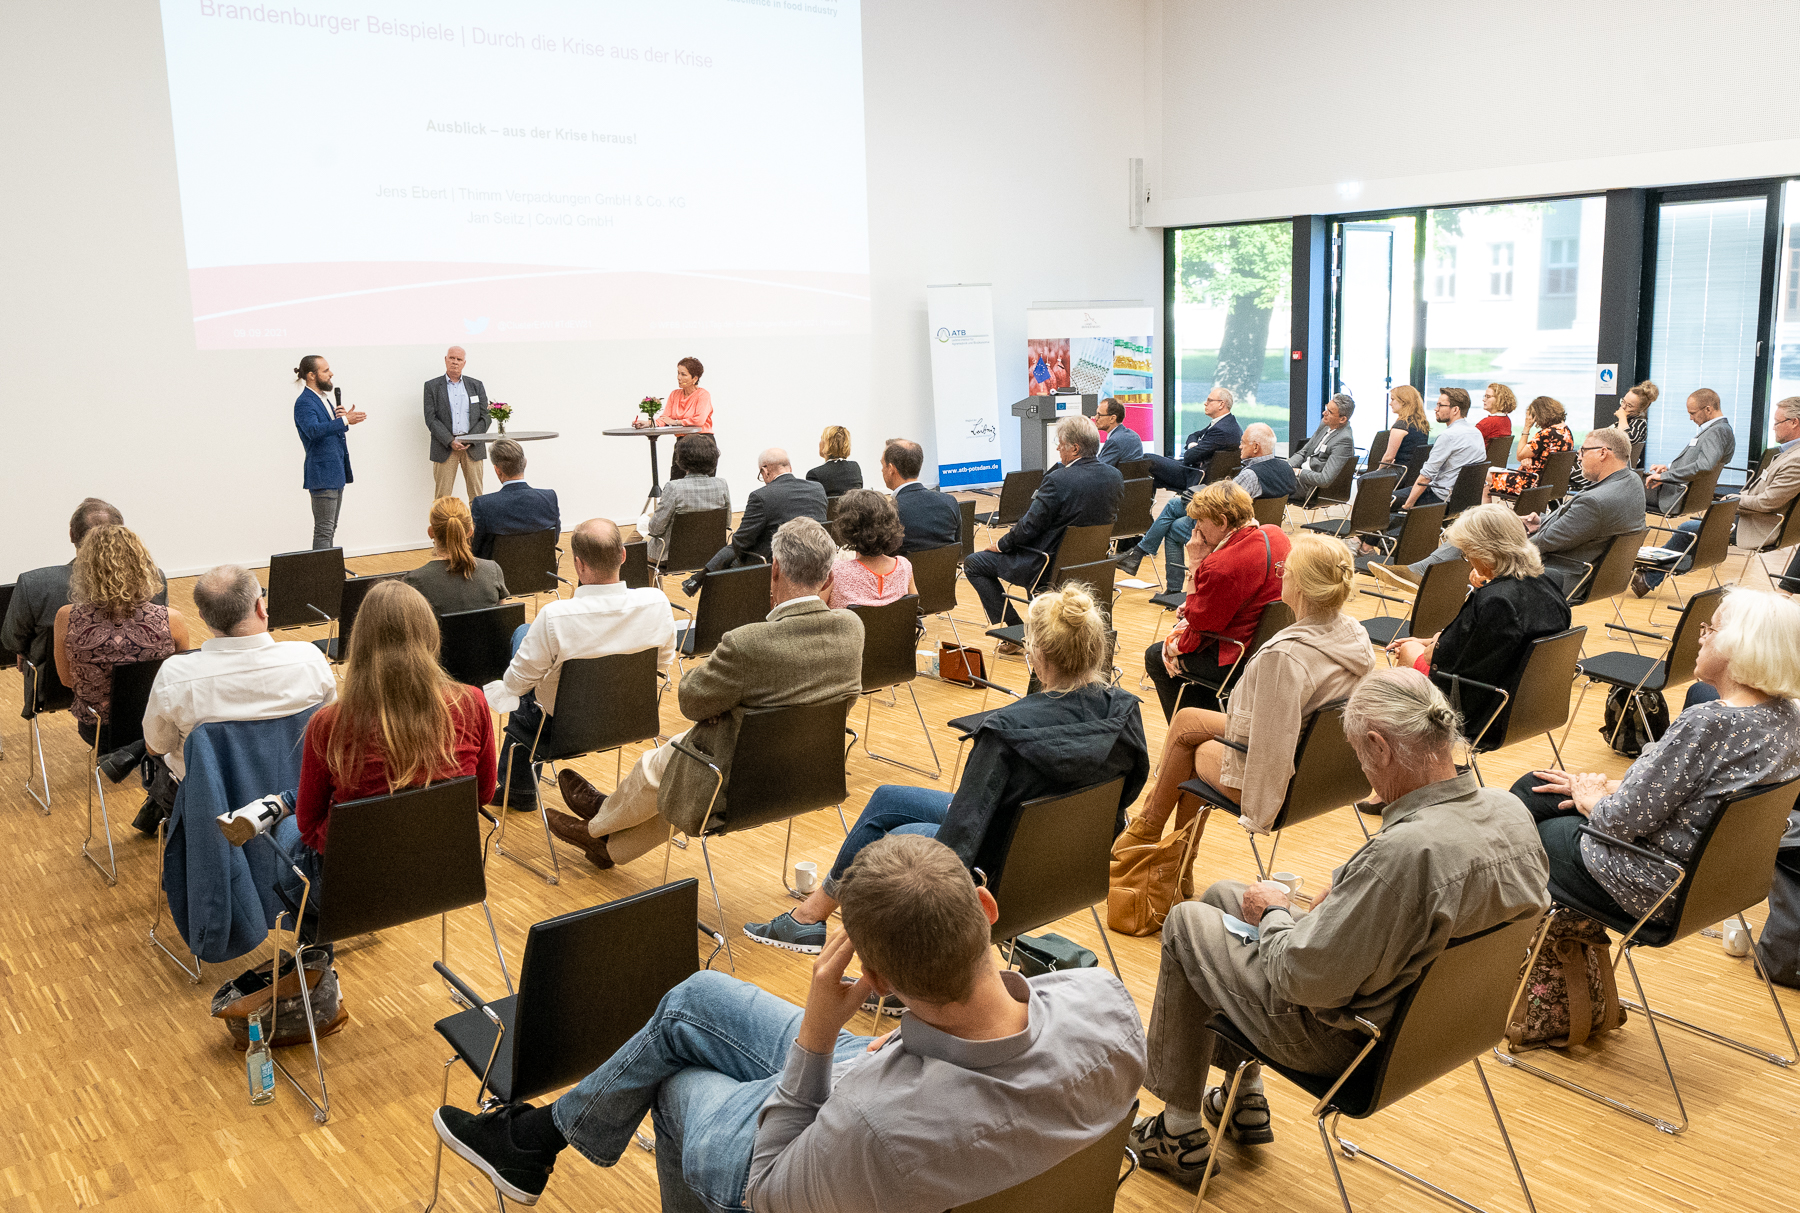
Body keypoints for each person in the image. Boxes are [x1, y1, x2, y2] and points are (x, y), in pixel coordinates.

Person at [432, 833, 1147, 1211]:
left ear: (881, 980)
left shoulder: (874, 1123)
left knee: (676, 1080)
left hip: (839, 1136)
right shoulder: (1107, 1002)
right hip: (904, 1078)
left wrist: (814, 1037)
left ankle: (532, 1136)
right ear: (987, 911)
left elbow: (765, 1187)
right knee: (695, 997)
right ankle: (536, 1136)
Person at [1131, 669, 1548, 1181]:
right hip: (1436, 1030)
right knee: (1223, 898)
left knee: (1187, 920)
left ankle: (1177, 1131)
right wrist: (1341, 896)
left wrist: (1279, 912)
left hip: (1348, 1046)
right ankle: (1242, 1094)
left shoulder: (1403, 856)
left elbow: (1299, 977)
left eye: (1357, 753)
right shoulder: (1510, 812)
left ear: (1378, 746)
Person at [744, 580, 1149, 953]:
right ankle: (809, 917)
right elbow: (1124, 795)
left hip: (997, 873)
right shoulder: (1125, 712)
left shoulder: (1004, 733)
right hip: (1072, 863)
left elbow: (961, 840)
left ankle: (908, 967)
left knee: (895, 836)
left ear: (1036, 654)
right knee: (887, 798)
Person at [550, 518, 862, 869]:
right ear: (830, 577)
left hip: (733, 785)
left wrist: (725, 706)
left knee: (663, 768)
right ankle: (608, 845)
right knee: (675, 772)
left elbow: (691, 700)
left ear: (774, 570)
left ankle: (597, 823)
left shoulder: (748, 643)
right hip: (808, 775)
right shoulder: (852, 629)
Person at [1512, 589, 1800, 930]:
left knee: (1521, 829)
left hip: (1655, 885)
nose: (1701, 636)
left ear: (1737, 646)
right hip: (1718, 885)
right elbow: (1692, 792)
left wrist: (1591, 796)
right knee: (1538, 788)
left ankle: (1494, 931)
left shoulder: (1708, 722)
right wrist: (1591, 785)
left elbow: (1618, 822)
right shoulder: (1788, 716)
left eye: (1711, 629)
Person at [1119, 533, 1370, 868]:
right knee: (1187, 719)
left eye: (1286, 570)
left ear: (1301, 585)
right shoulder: (1353, 634)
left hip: (1284, 782)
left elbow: (1272, 747)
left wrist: (1260, 812)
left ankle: (1164, 853)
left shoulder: (1286, 658)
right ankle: (1151, 837)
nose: (1281, 574)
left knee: (1194, 752)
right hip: (1325, 772)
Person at [266, 581, 497, 920]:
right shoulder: (471, 702)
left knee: (283, 826)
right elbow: (483, 792)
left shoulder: (329, 723)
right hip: (443, 875)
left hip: (350, 887)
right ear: (431, 634)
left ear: (360, 642)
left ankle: (313, 955)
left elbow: (309, 825)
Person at [485, 520, 676, 814]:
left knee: (524, 643)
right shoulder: (657, 603)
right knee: (529, 639)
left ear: (578, 564)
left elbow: (515, 685)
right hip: (632, 718)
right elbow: (662, 664)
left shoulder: (554, 617)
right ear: (623, 555)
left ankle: (520, 788)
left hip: (561, 729)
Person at [1386, 505, 1571, 757]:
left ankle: (1410, 755)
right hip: (1532, 705)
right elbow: (1486, 642)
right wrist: (1437, 639)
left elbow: (1442, 662)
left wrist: (1432, 645)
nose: (1468, 560)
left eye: (1467, 554)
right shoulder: (1549, 581)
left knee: (1407, 650)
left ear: (1485, 554)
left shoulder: (1496, 601)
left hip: (1481, 712)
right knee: (1416, 647)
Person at [1388, 427, 1645, 599]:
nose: (1578, 457)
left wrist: (1494, 554)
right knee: (1488, 522)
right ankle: (1422, 571)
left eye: (1583, 451)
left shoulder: (1596, 501)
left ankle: (1424, 574)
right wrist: (1540, 520)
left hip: (1561, 574)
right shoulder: (1631, 482)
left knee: (1481, 528)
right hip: (1588, 570)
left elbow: (1543, 544)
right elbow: (1579, 526)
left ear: (1603, 453)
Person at [141, 564, 337, 785]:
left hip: (212, 800)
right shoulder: (310, 659)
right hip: (297, 793)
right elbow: (331, 731)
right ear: (260, 607)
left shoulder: (175, 675)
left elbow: (157, 746)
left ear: (203, 617)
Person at [964, 415, 1123, 643]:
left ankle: (1016, 632)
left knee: (974, 562)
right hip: (1090, 564)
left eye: (1060, 443)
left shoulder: (1058, 479)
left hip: (1045, 564)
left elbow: (1029, 527)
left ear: (1075, 448)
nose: (1058, 449)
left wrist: (1000, 544)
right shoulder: (1114, 476)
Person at [1143, 482, 1288, 722]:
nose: (1196, 528)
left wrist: (1196, 563)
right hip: (1266, 650)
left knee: (1154, 656)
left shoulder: (1222, 565)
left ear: (1221, 521)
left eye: (1200, 521)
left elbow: (1198, 622)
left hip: (1233, 658)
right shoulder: (1275, 534)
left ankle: (1189, 731)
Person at [1640, 396, 1800, 592]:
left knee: (1687, 528)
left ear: (1794, 423)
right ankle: (1646, 574)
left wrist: (1734, 500)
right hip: (1756, 516)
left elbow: (1768, 502)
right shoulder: (1789, 453)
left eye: (1776, 423)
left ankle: (1643, 570)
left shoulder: (1796, 459)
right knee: (1691, 529)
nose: (1773, 427)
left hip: (1760, 525)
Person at [54, 525, 191, 749]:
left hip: (96, 728)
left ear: (86, 569)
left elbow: (67, 680)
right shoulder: (171, 620)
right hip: (157, 724)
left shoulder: (66, 617)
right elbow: (181, 680)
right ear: (142, 565)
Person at [3, 497, 167, 673]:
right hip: (141, 695)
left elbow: (12, 641)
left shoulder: (34, 585)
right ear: (121, 535)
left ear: (72, 534)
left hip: (56, 693)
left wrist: (26, 651)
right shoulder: (153, 579)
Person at [689, 447, 827, 592]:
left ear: (765, 470)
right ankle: (697, 580)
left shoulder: (761, 497)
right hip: (816, 562)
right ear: (790, 467)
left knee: (731, 561)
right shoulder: (817, 489)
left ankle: (700, 585)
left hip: (776, 566)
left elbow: (741, 542)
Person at [292, 355, 365, 550]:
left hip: (335, 472)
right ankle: (322, 577)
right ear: (311, 375)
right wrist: (344, 421)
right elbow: (313, 431)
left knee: (330, 528)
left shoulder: (323, 399)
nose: (331, 373)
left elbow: (332, 431)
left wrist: (342, 419)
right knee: (324, 530)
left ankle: (327, 573)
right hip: (322, 474)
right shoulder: (305, 402)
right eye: (325, 371)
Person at [403, 498, 510, 615]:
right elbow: (501, 620)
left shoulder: (414, 580)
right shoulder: (492, 570)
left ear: (431, 532)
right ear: (470, 531)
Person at [641, 433, 730, 563]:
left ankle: (647, 583)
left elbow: (655, 529)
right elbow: (726, 523)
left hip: (671, 556)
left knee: (636, 540)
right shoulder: (722, 484)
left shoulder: (674, 487)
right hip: (711, 554)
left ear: (681, 458)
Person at [1646, 387, 1734, 514]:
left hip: (1677, 496)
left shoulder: (1717, 431)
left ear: (1708, 409)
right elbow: (1701, 462)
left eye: (1692, 413)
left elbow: (1705, 466)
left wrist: (1665, 476)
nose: (1691, 418)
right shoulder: (1722, 429)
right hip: (1687, 494)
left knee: (1630, 491)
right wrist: (1669, 468)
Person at [1394, 387, 1485, 511]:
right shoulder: (1476, 433)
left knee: (1385, 500)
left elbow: (1425, 477)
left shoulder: (1448, 436)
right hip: (1463, 501)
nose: (1435, 409)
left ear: (1455, 410)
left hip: (1439, 497)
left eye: (1440, 405)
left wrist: (1408, 506)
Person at [470, 439, 561, 561]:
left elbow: (477, 549)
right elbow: (553, 540)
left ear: (497, 470)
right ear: (525, 463)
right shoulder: (549, 498)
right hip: (541, 576)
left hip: (497, 577)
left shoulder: (483, 505)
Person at [826, 489, 917, 609]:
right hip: (893, 628)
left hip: (852, 628)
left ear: (847, 528)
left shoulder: (835, 571)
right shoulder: (904, 567)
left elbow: (818, 614)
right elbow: (914, 607)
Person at [424, 345, 491, 502]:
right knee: (442, 498)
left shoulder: (476, 385)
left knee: (477, 498)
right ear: (445, 360)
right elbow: (430, 418)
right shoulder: (431, 386)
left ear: (464, 363)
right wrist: (450, 440)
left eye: (459, 359)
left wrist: (470, 438)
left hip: (472, 448)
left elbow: (486, 416)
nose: (455, 362)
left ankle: (478, 527)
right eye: (452, 358)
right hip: (445, 447)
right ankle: (442, 527)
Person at [1148, 387, 1240, 494]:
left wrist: (1193, 448)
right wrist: (1193, 445)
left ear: (1221, 404)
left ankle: (1138, 509)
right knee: (1154, 475)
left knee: (1148, 460)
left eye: (1209, 400)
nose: (1205, 403)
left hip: (1196, 476)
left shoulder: (1221, 430)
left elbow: (1189, 457)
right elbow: (1194, 435)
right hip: (1195, 470)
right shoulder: (1226, 423)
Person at [1570, 379, 1657, 491]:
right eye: (1623, 402)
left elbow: (1625, 440)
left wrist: (1622, 417)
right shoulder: (1625, 421)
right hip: (1600, 463)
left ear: (1641, 409)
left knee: (1560, 472)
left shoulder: (1640, 424)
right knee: (1564, 465)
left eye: (1629, 405)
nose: (1623, 407)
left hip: (1608, 470)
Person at [881, 438, 961, 553]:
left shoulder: (889, 511)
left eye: (882, 465)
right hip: (944, 570)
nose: (881, 470)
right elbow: (958, 548)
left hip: (906, 570)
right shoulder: (949, 502)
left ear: (891, 469)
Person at [1486, 395, 1572, 499]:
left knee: (1484, 475)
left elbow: (1519, 455)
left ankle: (1486, 514)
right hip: (1551, 484)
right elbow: (1544, 455)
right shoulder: (1566, 432)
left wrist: (1526, 428)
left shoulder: (1545, 434)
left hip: (1530, 483)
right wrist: (1528, 458)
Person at [1289, 394, 1357, 495]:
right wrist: (1287, 467)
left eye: (1330, 412)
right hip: (1299, 478)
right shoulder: (1325, 425)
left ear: (1342, 419)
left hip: (1310, 487)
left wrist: (1298, 472)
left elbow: (1325, 479)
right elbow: (1304, 452)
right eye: (1326, 408)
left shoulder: (1344, 440)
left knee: (1268, 482)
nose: (1324, 413)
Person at [634, 356, 712, 431]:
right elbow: (665, 419)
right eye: (678, 373)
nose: (679, 377)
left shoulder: (703, 395)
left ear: (695, 379)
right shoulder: (674, 394)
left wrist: (675, 422)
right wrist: (647, 423)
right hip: (683, 440)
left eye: (683, 374)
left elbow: (699, 421)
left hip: (701, 439)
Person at [1231, 423, 1296, 500]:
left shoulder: (1249, 475)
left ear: (1256, 447)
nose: (1240, 446)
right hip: (1276, 512)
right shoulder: (1287, 468)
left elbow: (1223, 504)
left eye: (1243, 442)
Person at [1374, 384, 1431, 470]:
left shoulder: (1401, 426)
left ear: (1403, 402)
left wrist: (1377, 472)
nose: (1390, 403)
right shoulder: (1422, 424)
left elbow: (1389, 457)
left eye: (1393, 399)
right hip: (1414, 473)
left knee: (1363, 480)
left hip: (1400, 472)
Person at [805, 426, 864, 495]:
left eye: (821, 439)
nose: (819, 443)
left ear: (826, 444)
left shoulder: (814, 475)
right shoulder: (855, 468)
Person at [1095, 396, 1144, 467]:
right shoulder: (1134, 436)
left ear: (1112, 418)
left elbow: (1100, 470)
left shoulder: (1113, 441)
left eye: (1099, 415)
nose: (1096, 418)